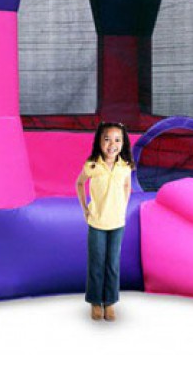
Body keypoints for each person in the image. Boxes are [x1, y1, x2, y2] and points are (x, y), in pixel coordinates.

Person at [75, 121, 135, 321]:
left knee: (112, 263)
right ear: (99, 142)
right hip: (97, 223)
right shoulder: (93, 165)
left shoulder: (125, 166)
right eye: (107, 139)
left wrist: (123, 206)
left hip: (117, 223)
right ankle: (95, 301)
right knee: (96, 263)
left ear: (123, 143)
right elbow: (80, 183)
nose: (112, 144)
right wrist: (85, 209)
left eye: (117, 140)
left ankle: (109, 301)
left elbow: (127, 186)